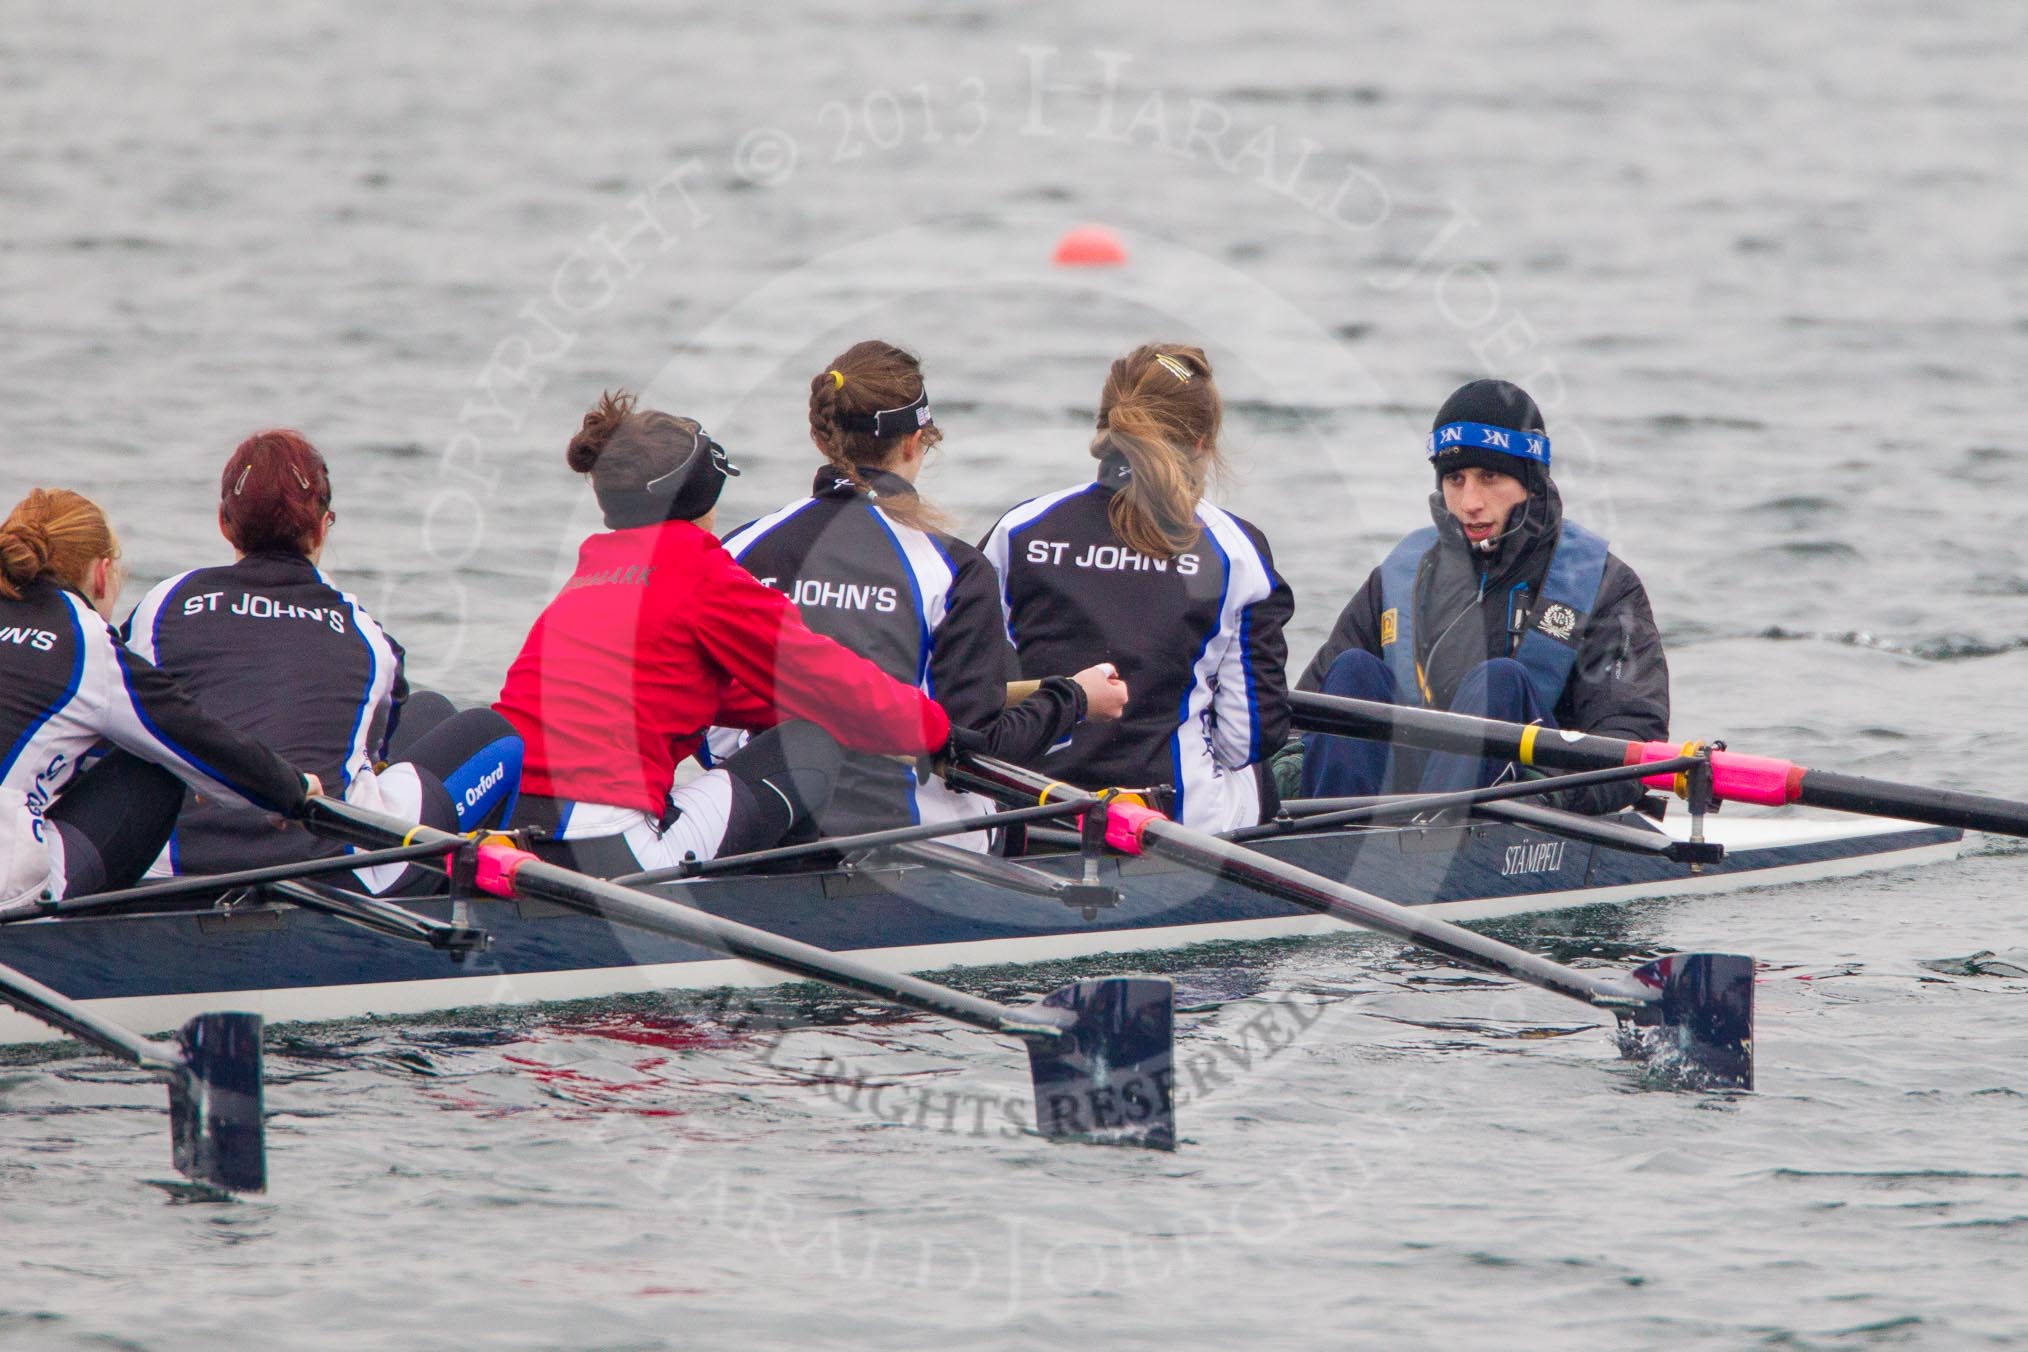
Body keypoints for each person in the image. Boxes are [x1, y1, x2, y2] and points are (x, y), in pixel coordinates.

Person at [493, 389, 957, 878]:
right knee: (809, 744)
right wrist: (935, 730)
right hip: (613, 853)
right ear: (704, 495)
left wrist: (868, 719)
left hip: (516, 833)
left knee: (816, 718)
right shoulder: (701, 572)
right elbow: (825, 678)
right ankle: (796, 897)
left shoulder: (594, 573)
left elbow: (711, 693)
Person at [718, 340, 1128, 847]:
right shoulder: (953, 569)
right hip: (923, 854)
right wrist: (1076, 698)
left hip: (765, 840)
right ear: (916, 442)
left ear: (820, 439)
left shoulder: (740, 548)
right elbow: (980, 748)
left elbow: (709, 726)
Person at [122, 430, 522, 894]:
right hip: (331, 874)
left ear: (223, 523)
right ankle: (473, 918)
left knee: (431, 711)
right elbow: (372, 758)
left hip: (175, 872)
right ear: (320, 527)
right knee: (493, 737)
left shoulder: (162, 604)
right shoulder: (367, 635)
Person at [1293, 378, 1669, 814]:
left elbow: (1630, 734)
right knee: (1351, 672)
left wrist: (1552, 793)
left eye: (1489, 477)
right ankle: (1330, 834)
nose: (1469, 501)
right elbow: (1301, 726)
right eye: (1455, 479)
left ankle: (1430, 838)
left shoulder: (1602, 584)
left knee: (1499, 681)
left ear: (1530, 480)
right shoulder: (1397, 577)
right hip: (1385, 807)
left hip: (1522, 804)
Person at [980, 343, 1292, 832]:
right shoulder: (1233, 549)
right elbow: (1247, 737)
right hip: (1175, 825)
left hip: (1034, 813)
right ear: (1200, 443)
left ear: (1104, 429)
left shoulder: (1017, 531)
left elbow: (970, 690)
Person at [0, 488, 318, 908]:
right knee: (160, 762)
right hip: (9, 894)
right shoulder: (86, 641)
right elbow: (195, 737)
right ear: (101, 574)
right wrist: (291, 789)